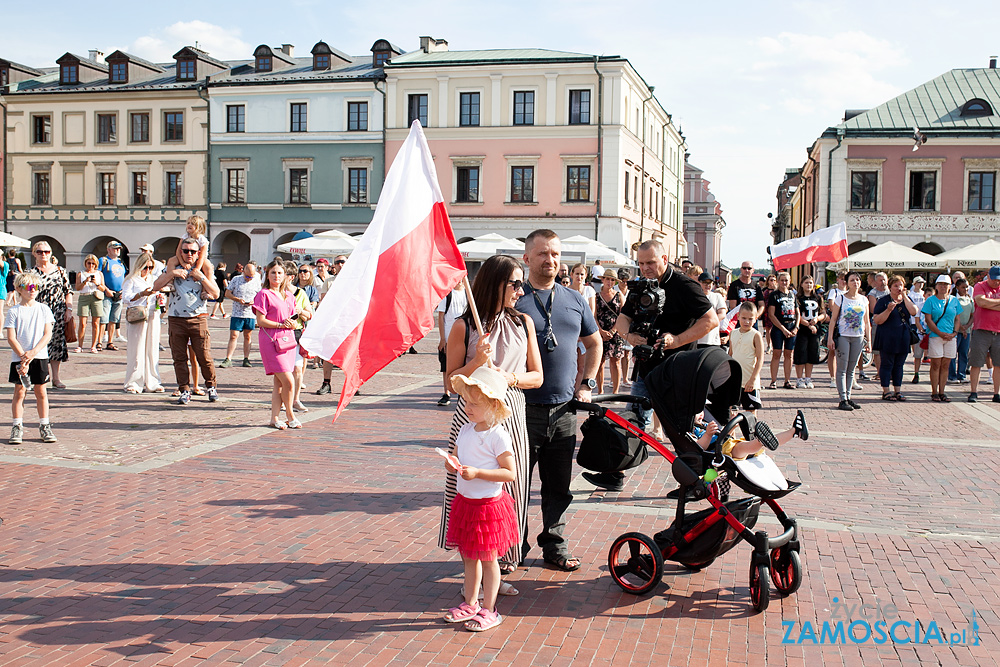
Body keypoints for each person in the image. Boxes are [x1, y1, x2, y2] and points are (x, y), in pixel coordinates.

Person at [439, 254, 542, 576]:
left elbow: (536, 376)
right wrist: (476, 363)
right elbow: (451, 382)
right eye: (515, 283)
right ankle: (471, 565)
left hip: (510, 412)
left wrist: (507, 378)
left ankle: (503, 564)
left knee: (511, 487)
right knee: (466, 487)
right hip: (470, 415)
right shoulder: (464, 325)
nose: (520, 291)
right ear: (496, 283)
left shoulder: (522, 322)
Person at [600, 239, 716, 492]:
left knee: (682, 431)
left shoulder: (685, 285)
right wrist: (629, 336)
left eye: (651, 262)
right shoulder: (641, 285)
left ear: (665, 259)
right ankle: (615, 473)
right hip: (646, 367)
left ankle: (700, 481)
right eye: (641, 264)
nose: (646, 268)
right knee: (633, 421)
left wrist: (676, 341)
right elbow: (623, 319)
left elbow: (711, 320)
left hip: (678, 370)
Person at [516, 230, 600, 570]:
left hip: (564, 410)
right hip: (520, 409)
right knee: (516, 486)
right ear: (527, 259)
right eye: (542, 254)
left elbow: (594, 344)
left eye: (555, 254)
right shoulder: (514, 299)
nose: (550, 260)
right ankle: (512, 547)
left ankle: (554, 545)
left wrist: (588, 382)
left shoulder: (575, 299)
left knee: (558, 487)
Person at [442, 365, 520, 633]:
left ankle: (490, 609)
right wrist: (452, 465)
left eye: (475, 403)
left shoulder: (497, 435)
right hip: (466, 504)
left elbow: (509, 472)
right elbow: (456, 456)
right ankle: (471, 603)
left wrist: (478, 473)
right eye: (466, 401)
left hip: (488, 508)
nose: (468, 407)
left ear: (493, 406)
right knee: (468, 558)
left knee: (488, 560)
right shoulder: (465, 429)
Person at [152, 237, 220, 405]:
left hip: (198, 319)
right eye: (186, 251)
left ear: (198, 253)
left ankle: (211, 386)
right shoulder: (173, 266)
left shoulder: (204, 268)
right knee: (179, 357)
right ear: (180, 252)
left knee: (204, 356)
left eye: (193, 251)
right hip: (177, 319)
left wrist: (201, 278)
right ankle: (184, 389)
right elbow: (155, 286)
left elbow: (216, 293)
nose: (189, 254)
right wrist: (172, 274)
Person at [5, 272, 57, 444]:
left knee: (41, 391)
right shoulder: (14, 311)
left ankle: (44, 425)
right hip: (19, 357)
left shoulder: (43, 309)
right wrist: (23, 356)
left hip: (39, 356)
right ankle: (17, 426)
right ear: (19, 289)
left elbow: (47, 334)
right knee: (19, 392)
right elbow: (11, 337)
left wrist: (34, 352)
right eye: (29, 287)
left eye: (35, 287)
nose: (33, 290)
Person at [252, 260, 301, 429]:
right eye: (273, 272)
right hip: (271, 341)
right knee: (288, 380)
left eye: (280, 273)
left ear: (285, 276)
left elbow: (294, 318)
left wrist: (292, 324)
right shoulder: (264, 294)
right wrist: (280, 325)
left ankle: (274, 418)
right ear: (267, 274)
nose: (277, 276)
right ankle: (290, 414)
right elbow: (260, 320)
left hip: (287, 342)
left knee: (279, 383)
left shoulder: (289, 296)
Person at [29, 241, 72, 389]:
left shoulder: (60, 271)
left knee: (57, 345)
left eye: (46, 251)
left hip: (58, 312)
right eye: (40, 252)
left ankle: (56, 378)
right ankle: (40, 377)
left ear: (51, 253)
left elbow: (68, 292)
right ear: (34, 253)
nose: (43, 254)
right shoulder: (31, 274)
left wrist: (69, 310)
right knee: (39, 344)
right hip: (39, 313)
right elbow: (27, 295)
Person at [121, 252, 164, 394]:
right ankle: (133, 381)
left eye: (150, 268)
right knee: (137, 349)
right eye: (145, 267)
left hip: (153, 313)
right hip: (137, 315)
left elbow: (160, 293)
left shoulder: (153, 279)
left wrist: (159, 298)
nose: (147, 271)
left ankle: (153, 381)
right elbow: (125, 298)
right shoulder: (131, 280)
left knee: (152, 349)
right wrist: (141, 294)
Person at [828, 271, 871, 411]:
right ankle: (842, 399)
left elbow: (867, 322)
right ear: (847, 282)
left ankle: (849, 396)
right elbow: (833, 319)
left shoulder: (864, 300)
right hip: (843, 335)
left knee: (852, 369)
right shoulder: (841, 298)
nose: (856, 282)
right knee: (842, 368)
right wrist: (830, 338)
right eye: (852, 280)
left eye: (857, 280)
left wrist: (868, 341)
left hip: (858, 337)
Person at [872, 275, 917, 401]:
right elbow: (877, 320)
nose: (898, 288)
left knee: (899, 365)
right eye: (895, 286)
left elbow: (914, 311)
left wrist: (905, 297)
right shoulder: (883, 301)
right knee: (887, 364)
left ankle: (898, 390)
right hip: (887, 338)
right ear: (890, 287)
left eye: (900, 285)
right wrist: (888, 310)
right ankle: (886, 391)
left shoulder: (907, 300)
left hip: (903, 338)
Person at [921, 275, 962, 402]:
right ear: (936, 286)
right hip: (935, 336)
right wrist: (939, 332)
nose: (943, 287)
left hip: (950, 337)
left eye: (946, 284)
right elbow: (928, 319)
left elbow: (957, 319)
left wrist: (954, 333)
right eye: (941, 284)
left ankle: (942, 391)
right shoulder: (931, 300)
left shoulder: (954, 300)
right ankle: (934, 392)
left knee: (946, 365)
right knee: (935, 364)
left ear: (950, 287)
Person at [284, 260, 314, 414]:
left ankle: (295, 399)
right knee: (283, 370)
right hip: (281, 334)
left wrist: (300, 311)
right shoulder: (277, 293)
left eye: (284, 274)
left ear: (290, 277)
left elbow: (310, 315)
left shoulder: (300, 293)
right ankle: (283, 399)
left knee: (297, 369)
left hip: (296, 334)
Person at [316, 255, 349, 394]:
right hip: (332, 322)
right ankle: (326, 382)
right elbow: (324, 302)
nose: (340, 264)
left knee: (350, 353)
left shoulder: (356, 280)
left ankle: (351, 384)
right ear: (333, 266)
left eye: (343, 262)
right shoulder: (329, 282)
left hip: (349, 322)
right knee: (328, 353)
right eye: (337, 262)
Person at [219, 262, 261, 369]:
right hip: (237, 312)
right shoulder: (236, 279)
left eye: (251, 277)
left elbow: (260, 295)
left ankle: (246, 358)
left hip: (250, 313)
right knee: (234, 335)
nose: (249, 279)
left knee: (248, 336)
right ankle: (228, 358)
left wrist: (253, 301)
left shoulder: (256, 280)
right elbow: (227, 293)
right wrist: (237, 299)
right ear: (243, 272)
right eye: (247, 276)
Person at [968, 266, 1000, 403]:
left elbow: (985, 303)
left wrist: (989, 304)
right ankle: (973, 392)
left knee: (998, 364)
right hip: (981, 329)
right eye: (994, 280)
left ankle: (996, 393)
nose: (996, 283)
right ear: (988, 276)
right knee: (976, 362)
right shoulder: (980, 286)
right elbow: (980, 302)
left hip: (998, 332)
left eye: (999, 280)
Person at [435, 281, 468, 406]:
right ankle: (446, 393)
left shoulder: (467, 294)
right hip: (449, 336)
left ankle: (464, 392)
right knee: (446, 366)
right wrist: (442, 338)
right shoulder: (447, 294)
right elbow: (441, 316)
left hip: (464, 335)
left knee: (465, 363)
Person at [766, 271, 798, 390]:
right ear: (778, 281)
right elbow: (771, 314)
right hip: (779, 328)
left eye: (786, 280)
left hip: (792, 327)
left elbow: (797, 312)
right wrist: (783, 329)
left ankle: (787, 380)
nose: (784, 282)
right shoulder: (774, 295)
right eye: (782, 280)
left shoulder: (792, 294)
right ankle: (773, 380)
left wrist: (796, 327)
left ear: (789, 281)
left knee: (789, 354)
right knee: (777, 353)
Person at [729, 302, 764, 412]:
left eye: (750, 319)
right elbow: (730, 355)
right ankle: (732, 430)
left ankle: (751, 430)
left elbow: (760, 358)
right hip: (735, 380)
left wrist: (753, 379)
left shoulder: (756, 335)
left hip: (750, 381)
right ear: (738, 316)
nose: (747, 322)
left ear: (755, 319)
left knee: (751, 412)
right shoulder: (733, 333)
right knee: (731, 411)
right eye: (744, 318)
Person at [595, 271, 626, 393]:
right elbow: (594, 315)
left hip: (616, 332)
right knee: (599, 362)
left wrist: (614, 330)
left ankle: (615, 391)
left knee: (615, 362)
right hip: (600, 331)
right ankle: (600, 390)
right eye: (607, 279)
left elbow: (623, 315)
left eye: (612, 280)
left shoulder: (619, 295)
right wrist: (600, 331)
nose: (610, 282)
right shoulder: (596, 296)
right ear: (603, 280)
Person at [793, 275, 824, 388]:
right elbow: (796, 315)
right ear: (801, 284)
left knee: (812, 353)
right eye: (806, 282)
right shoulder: (798, 298)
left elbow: (823, 313)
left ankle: (808, 378)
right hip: (802, 330)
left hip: (815, 330)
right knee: (801, 354)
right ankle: (799, 378)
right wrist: (807, 324)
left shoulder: (818, 298)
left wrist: (817, 319)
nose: (809, 285)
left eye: (811, 283)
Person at [73, 254, 106, 353]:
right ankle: (80, 345)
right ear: (85, 263)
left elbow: (103, 288)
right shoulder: (81, 273)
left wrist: (96, 283)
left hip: (96, 297)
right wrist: (85, 281)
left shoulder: (99, 274)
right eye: (89, 263)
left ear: (95, 264)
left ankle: (93, 346)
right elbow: (77, 288)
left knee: (96, 323)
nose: (91, 265)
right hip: (84, 297)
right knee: (83, 323)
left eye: (93, 263)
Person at [97, 241, 127, 350]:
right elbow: (98, 276)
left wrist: (123, 290)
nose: (117, 250)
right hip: (107, 293)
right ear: (108, 249)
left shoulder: (120, 262)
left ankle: (110, 341)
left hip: (118, 294)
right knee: (103, 319)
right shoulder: (103, 261)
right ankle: (99, 341)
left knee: (114, 319)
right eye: (115, 248)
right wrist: (106, 289)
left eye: (119, 248)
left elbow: (124, 276)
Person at [826, 271, 849, 388]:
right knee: (833, 352)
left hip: (849, 326)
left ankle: (851, 378)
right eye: (842, 279)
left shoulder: (852, 293)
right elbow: (831, 306)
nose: (844, 281)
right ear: (837, 280)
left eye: (846, 279)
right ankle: (833, 377)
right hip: (837, 324)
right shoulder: (834, 292)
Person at [949, 278, 974, 384]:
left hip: (967, 330)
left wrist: (967, 326)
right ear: (957, 287)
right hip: (955, 330)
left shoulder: (970, 299)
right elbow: (952, 315)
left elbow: (973, 315)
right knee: (952, 354)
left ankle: (962, 374)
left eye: (967, 287)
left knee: (963, 353)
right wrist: (959, 327)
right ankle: (951, 376)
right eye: (963, 287)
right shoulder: (953, 299)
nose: (965, 289)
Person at [866, 272, 890, 382]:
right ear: (875, 282)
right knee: (877, 350)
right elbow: (873, 309)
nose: (883, 282)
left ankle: (889, 372)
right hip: (878, 323)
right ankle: (879, 372)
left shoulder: (890, 291)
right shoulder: (873, 293)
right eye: (880, 280)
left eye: (884, 279)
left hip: (891, 324)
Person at [696, 272, 726, 349]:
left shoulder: (717, 296)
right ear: (699, 283)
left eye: (710, 283)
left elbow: (722, 313)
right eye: (705, 282)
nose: (707, 285)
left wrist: (711, 322)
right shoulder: (694, 296)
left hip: (712, 339)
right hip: (696, 338)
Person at [908, 276, 927, 384]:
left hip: (922, 321)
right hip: (913, 322)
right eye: (919, 282)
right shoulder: (910, 295)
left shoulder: (924, 295)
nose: (921, 284)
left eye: (922, 282)